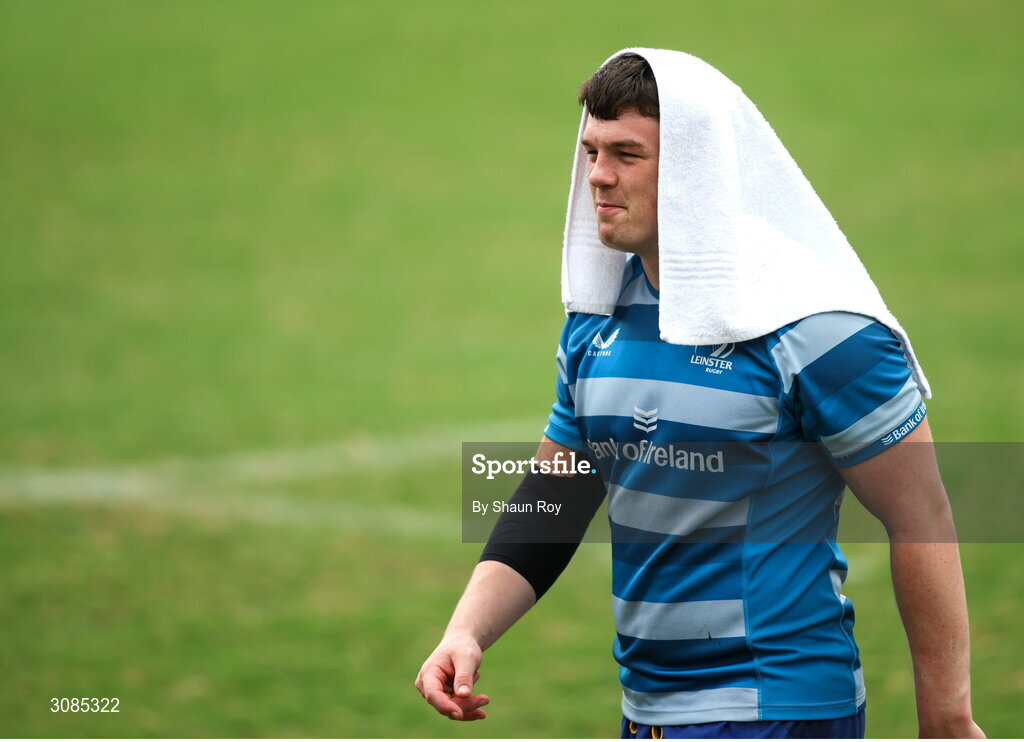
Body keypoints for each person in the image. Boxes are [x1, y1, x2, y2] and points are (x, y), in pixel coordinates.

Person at [415, 48, 985, 739]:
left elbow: (921, 514)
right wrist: (466, 630)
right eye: (592, 150)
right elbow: (556, 497)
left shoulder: (818, 329)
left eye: (628, 154)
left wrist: (948, 719)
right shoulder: (599, 317)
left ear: (695, 171)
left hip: (777, 710)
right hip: (648, 717)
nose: (598, 176)